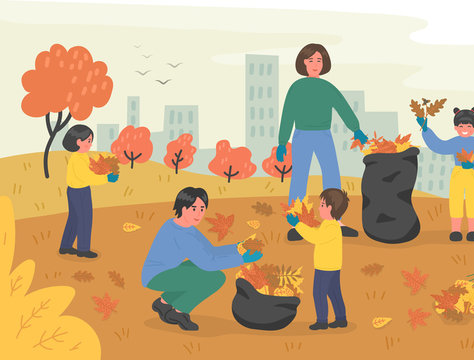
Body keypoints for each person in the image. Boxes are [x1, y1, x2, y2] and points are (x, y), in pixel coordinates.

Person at [277, 43, 368, 241]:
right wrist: (282, 142)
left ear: (324, 63)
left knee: (332, 176)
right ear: (303, 63)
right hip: (301, 135)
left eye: (319, 60)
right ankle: (297, 222)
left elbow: (343, 108)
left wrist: (356, 129)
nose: (315, 64)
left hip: (324, 136)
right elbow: (287, 114)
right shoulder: (296, 87)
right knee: (299, 178)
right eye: (311, 60)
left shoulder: (328, 88)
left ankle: (336, 221)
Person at [141, 187, 263, 331]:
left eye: (202, 208)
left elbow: (210, 251)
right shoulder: (183, 235)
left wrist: (237, 248)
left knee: (208, 274)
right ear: (183, 208)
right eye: (194, 209)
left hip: (167, 270)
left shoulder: (182, 225)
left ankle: (164, 302)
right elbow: (209, 263)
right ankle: (179, 312)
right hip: (157, 277)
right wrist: (242, 259)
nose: (199, 213)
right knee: (215, 279)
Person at [416, 107, 474, 242]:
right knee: (455, 200)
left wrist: (473, 165)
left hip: (472, 174)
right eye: (461, 126)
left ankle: (472, 230)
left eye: (468, 126)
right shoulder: (455, 142)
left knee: (473, 201)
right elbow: (439, 146)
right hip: (458, 174)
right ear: (456, 127)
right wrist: (426, 130)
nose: (465, 128)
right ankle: (456, 230)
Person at [286, 188, 349, 331]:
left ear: (330, 208)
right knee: (334, 293)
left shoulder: (331, 227)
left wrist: (298, 225)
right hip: (333, 266)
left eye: (322, 205)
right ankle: (341, 319)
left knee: (319, 293)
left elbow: (316, 238)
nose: (319, 208)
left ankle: (322, 321)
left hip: (325, 267)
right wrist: (300, 225)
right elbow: (315, 232)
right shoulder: (328, 224)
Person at [59, 125, 118, 258]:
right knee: (85, 219)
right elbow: (87, 177)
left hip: (74, 191)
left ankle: (65, 246)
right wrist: (107, 178)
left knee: (74, 219)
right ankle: (83, 249)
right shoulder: (78, 159)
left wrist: (104, 171)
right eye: (89, 141)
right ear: (79, 141)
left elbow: (92, 170)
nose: (91, 144)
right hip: (80, 191)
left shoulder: (81, 156)